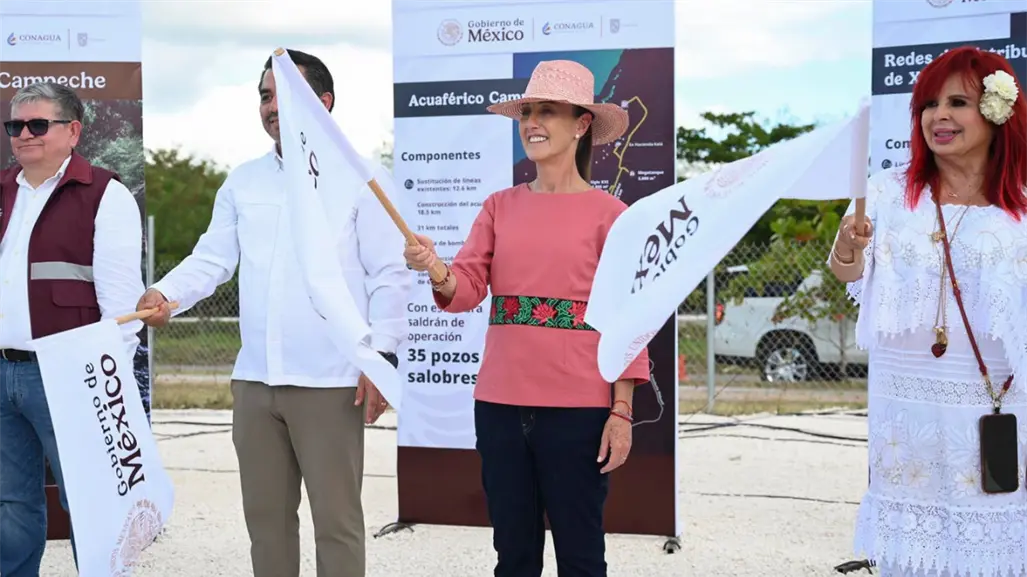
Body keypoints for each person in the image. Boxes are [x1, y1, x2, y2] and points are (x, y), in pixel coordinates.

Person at [136, 49, 411, 577]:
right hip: (256, 383)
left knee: (337, 526)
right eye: (264, 95)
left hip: (331, 381)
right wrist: (167, 294)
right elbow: (212, 259)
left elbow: (390, 277)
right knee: (266, 526)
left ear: (323, 103)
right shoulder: (243, 181)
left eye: (282, 93)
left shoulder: (364, 179)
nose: (270, 106)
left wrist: (381, 360)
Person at [403, 59, 650, 577]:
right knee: (513, 556)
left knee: (581, 557)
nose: (532, 123)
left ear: (582, 124)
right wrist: (435, 268)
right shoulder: (499, 207)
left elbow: (629, 323)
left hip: (580, 412)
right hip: (498, 407)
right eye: (527, 113)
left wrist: (621, 412)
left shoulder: (614, 217)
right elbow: (466, 288)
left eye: (548, 112)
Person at [829, 46, 1027, 577]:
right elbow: (847, 272)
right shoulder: (888, 194)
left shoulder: (1024, 204)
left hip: (999, 413)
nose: (938, 116)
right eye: (927, 104)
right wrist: (849, 245)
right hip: (908, 418)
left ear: (998, 111)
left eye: (957, 102)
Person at [0, 82, 145, 576]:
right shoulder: (1, 191)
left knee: (90, 501)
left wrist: (106, 386)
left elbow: (123, 308)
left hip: (72, 378)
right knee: (11, 505)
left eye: (37, 125)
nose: (23, 135)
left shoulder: (106, 194)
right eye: (15, 126)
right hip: (3, 373)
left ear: (73, 131)